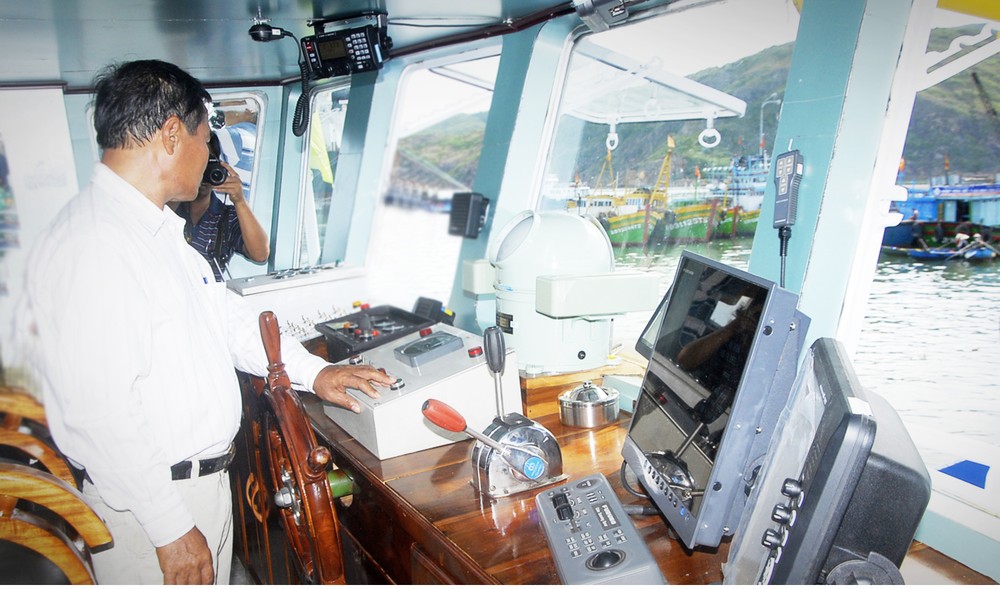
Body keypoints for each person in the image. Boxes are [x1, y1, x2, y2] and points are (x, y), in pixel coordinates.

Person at [16, 59, 394, 585]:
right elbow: (98, 411)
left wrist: (314, 373)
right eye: (205, 136)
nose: (208, 153)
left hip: (193, 493)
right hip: (153, 511)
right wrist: (171, 528)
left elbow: (227, 319)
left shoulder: (155, 231)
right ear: (172, 134)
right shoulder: (96, 245)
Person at [171, 131, 268, 281]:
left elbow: (260, 254)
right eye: (194, 163)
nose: (202, 173)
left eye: (207, 164)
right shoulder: (170, 206)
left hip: (207, 299)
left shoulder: (226, 217)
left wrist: (239, 201)